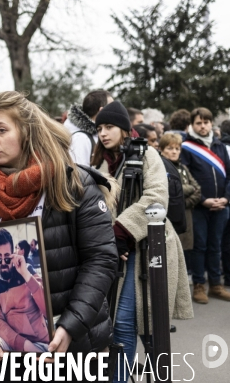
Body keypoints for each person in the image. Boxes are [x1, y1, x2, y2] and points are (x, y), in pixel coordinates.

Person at [0, 91, 118, 382]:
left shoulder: (73, 183)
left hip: (76, 344)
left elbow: (101, 261)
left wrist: (69, 327)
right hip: (14, 349)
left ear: (28, 132)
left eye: (1, 130)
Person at [92, 101, 193, 383]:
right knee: (120, 324)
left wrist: (121, 230)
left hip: (150, 246)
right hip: (114, 249)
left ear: (125, 129)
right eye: (99, 128)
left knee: (140, 325)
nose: (103, 133)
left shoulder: (147, 154)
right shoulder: (98, 163)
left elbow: (156, 198)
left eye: (109, 126)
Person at [181, 107, 230, 302]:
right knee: (199, 246)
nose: (203, 126)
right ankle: (199, 285)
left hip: (221, 205)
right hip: (200, 207)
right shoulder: (186, 148)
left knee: (216, 246)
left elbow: (229, 176)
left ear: (211, 123)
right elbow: (185, 180)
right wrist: (203, 200)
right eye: (199, 123)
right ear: (192, 125)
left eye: (206, 122)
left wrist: (226, 198)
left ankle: (216, 285)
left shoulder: (219, 146)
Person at [0, 229, 49, 353]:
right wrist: (25, 345)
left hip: (40, 343)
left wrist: (26, 274)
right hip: (15, 344)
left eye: (7, 258)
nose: (3, 263)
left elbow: (47, 309)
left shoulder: (27, 270)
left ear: (13, 254)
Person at [159, 133, 201, 276]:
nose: (174, 152)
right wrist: (188, 189)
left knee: (182, 251)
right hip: (170, 216)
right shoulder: (160, 166)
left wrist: (184, 201)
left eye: (177, 148)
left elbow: (198, 190)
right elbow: (170, 190)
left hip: (185, 215)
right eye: (170, 148)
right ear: (162, 149)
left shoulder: (183, 168)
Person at [64, 89, 113, 165]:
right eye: (112, 107)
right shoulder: (81, 139)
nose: (115, 111)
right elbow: (80, 174)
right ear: (101, 110)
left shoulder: (93, 133)